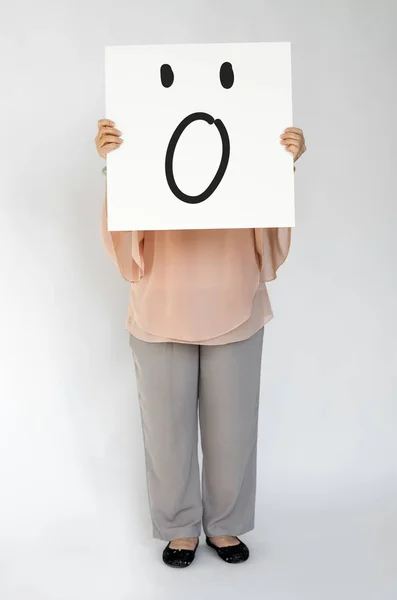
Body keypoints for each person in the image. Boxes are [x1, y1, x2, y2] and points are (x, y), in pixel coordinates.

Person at [95, 118, 306, 568]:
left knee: (233, 425)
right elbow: (122, 242)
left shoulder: (237, 137)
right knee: (166, 428)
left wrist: (280, 168)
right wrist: (116, 166)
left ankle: (224, 521)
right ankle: (179, 526)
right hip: (162, 298)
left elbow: (270, 236)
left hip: (233, 292)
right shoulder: (150, 140)